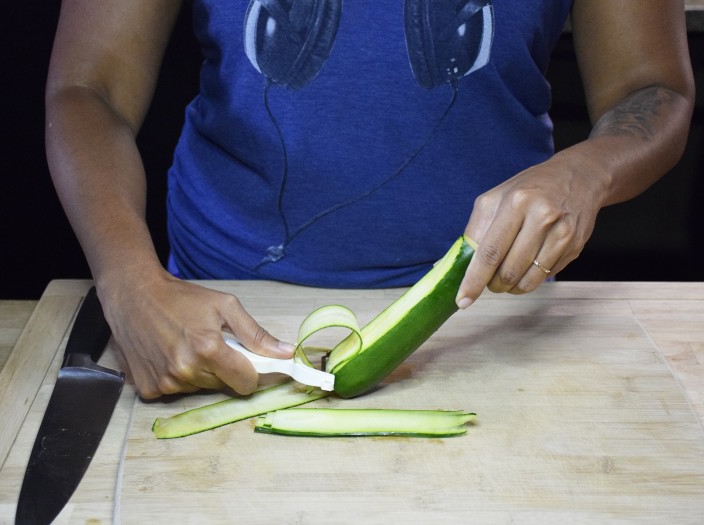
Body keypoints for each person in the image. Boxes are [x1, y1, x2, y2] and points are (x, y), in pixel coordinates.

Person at [45, 0, 694, 399]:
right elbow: (87, 89)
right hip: (213, 317)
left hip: (494, 321)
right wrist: (128, 282)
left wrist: (583, 173)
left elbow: (654, 88)